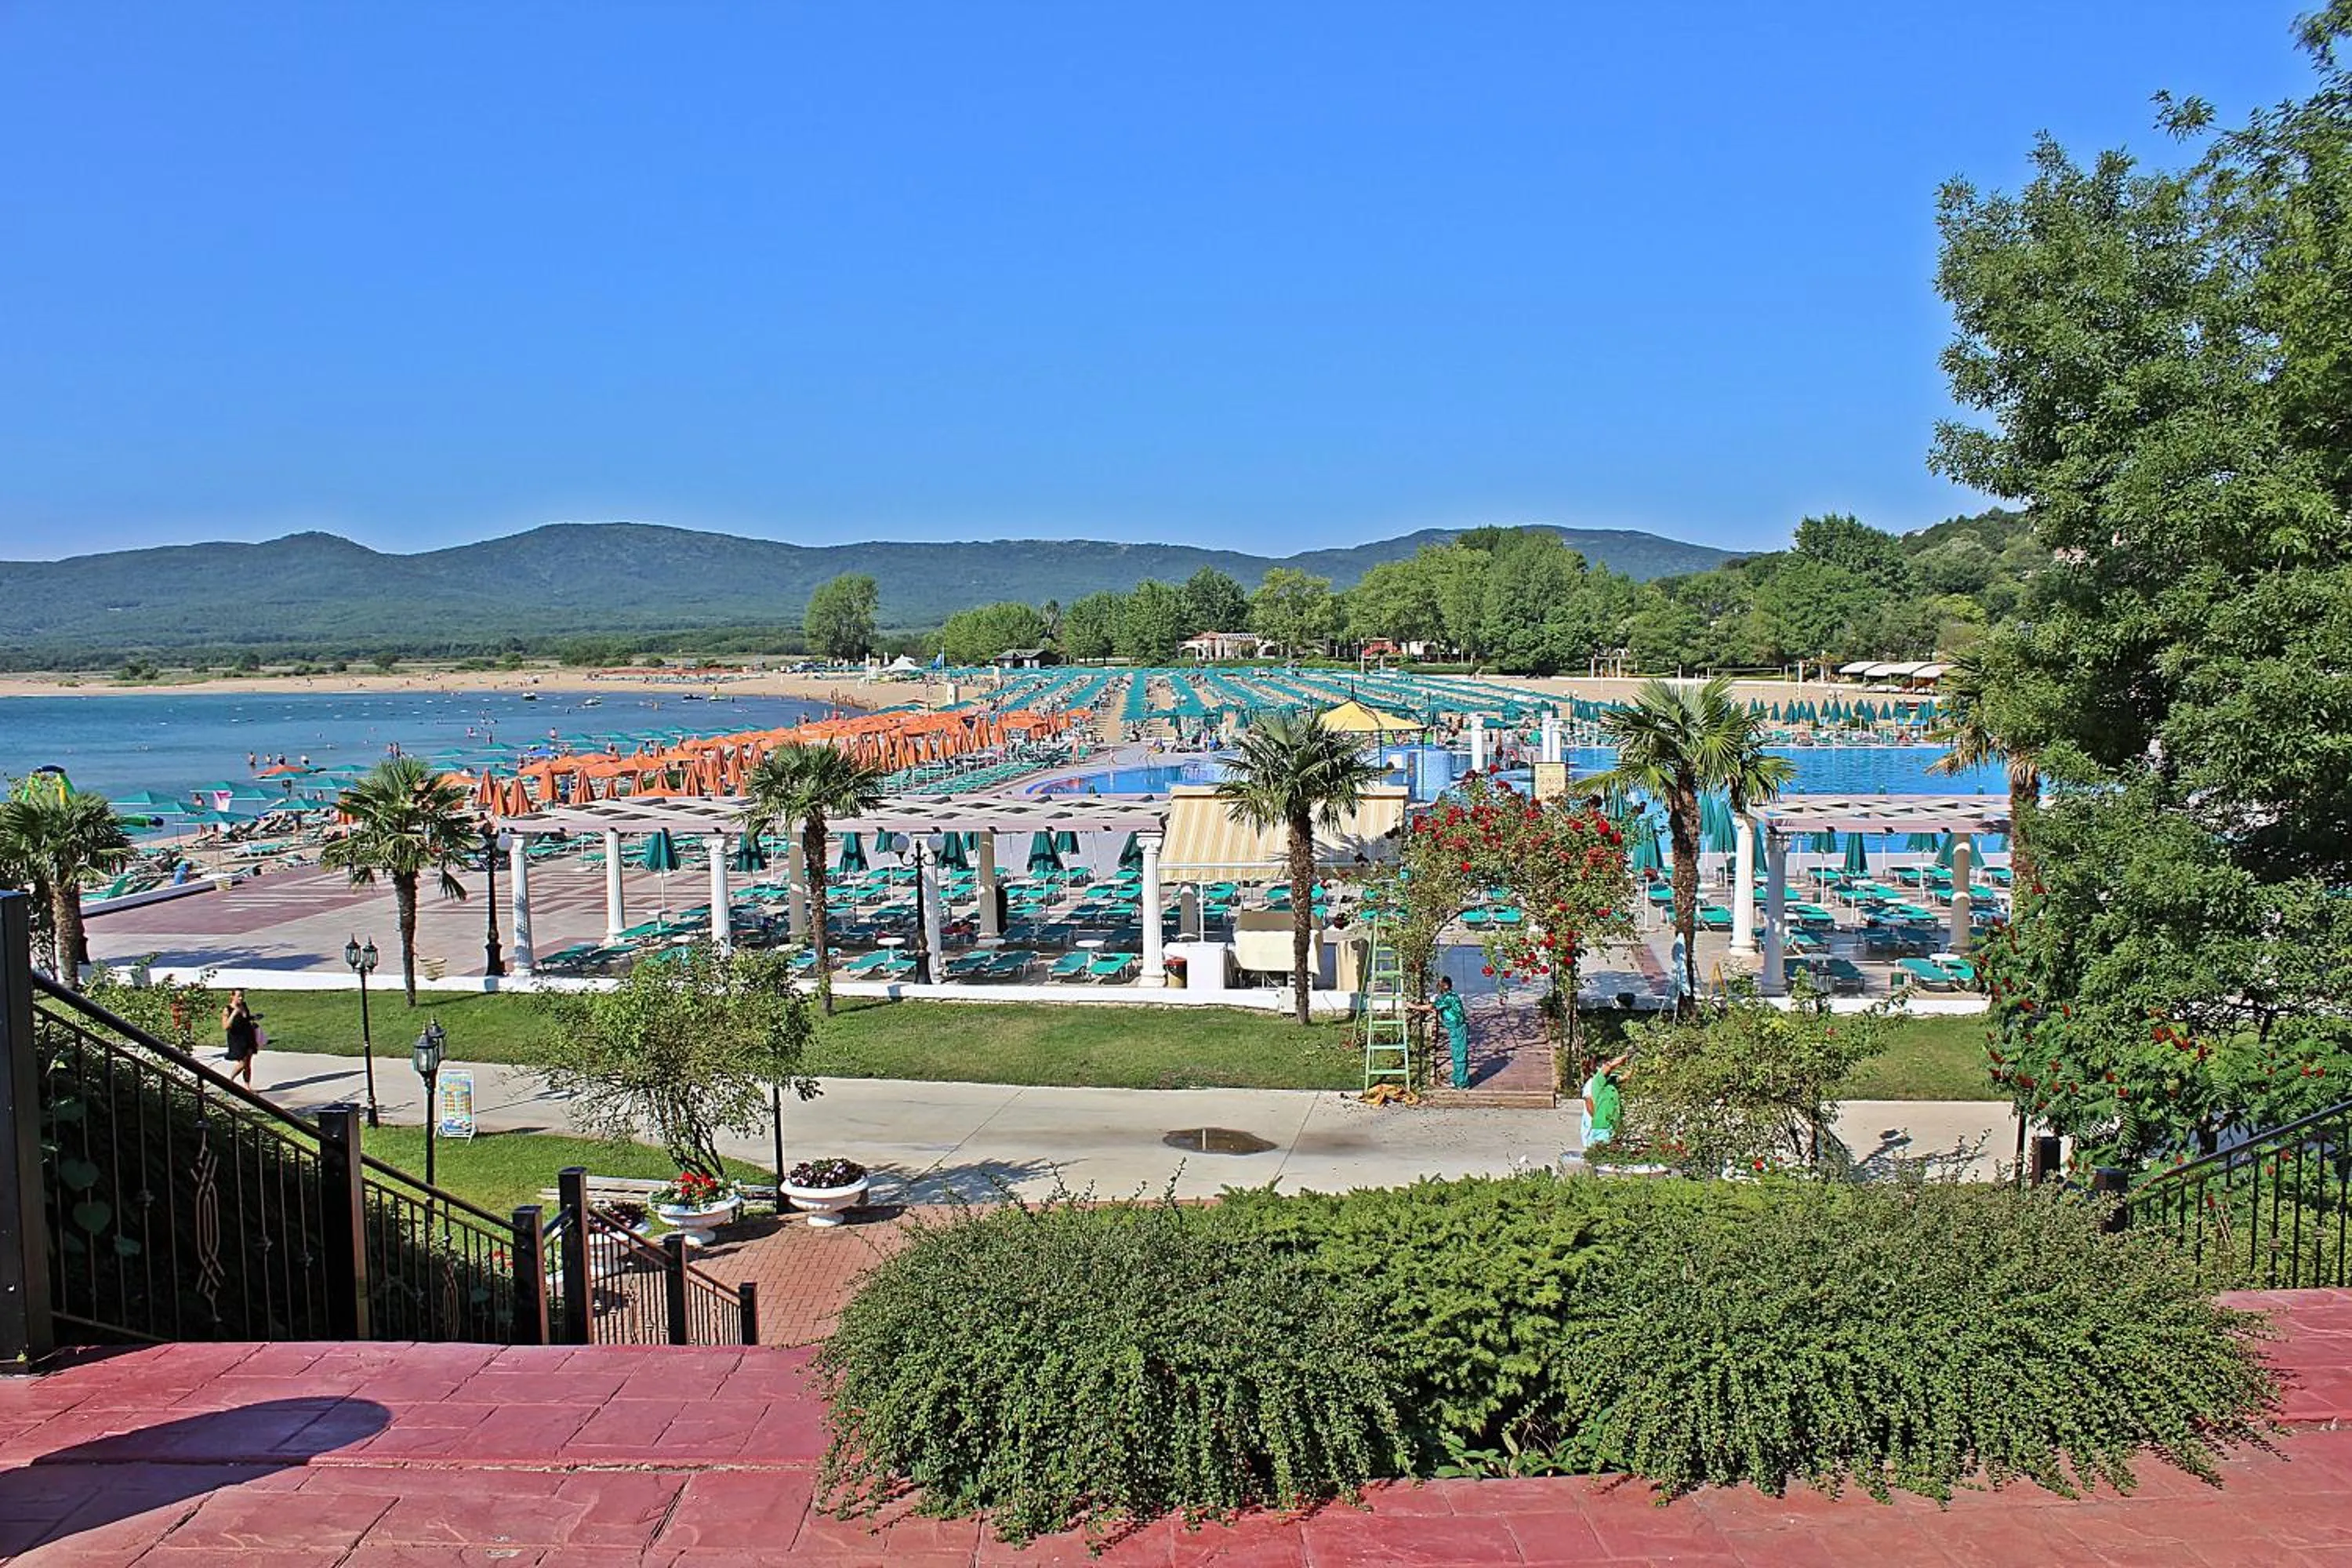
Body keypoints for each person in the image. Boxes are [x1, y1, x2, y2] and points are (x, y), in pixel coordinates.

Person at [1411, 975, 1472, 1089]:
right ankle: (1457, 1078)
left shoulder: (1449, 998)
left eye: (1439, 985)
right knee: (1456, 1054)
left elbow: (1432, 1006)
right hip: (1455, 1028)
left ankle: (1462, 1083)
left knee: (1459, 1056)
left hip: (1458, 1028)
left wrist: (1414, 1007)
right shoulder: (1450, 996)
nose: (1438, 987)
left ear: (1445, 985)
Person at [1581, 1053, 1630, 1150]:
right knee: (1601, 1152)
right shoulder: (1597, 1080)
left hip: (1612, 1124)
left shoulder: (1610, 1081)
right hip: (1602, 1125)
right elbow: (1590, 1106)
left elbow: (1626, 1076)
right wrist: (1624, 1056)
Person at [220, 988, 262, 1087]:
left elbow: (245, 1019)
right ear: (232, 997)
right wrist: (234, 1014)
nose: (241, 998)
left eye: (242, 996)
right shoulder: (227, 1009)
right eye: (239, 996)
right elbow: (225, 1026)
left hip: (248, 1036)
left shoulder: (244, 1005)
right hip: (236, 1039)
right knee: (243, 1063)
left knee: (248, 1064)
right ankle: (230, 1080)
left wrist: (253, 1017)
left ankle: (247, 1086)